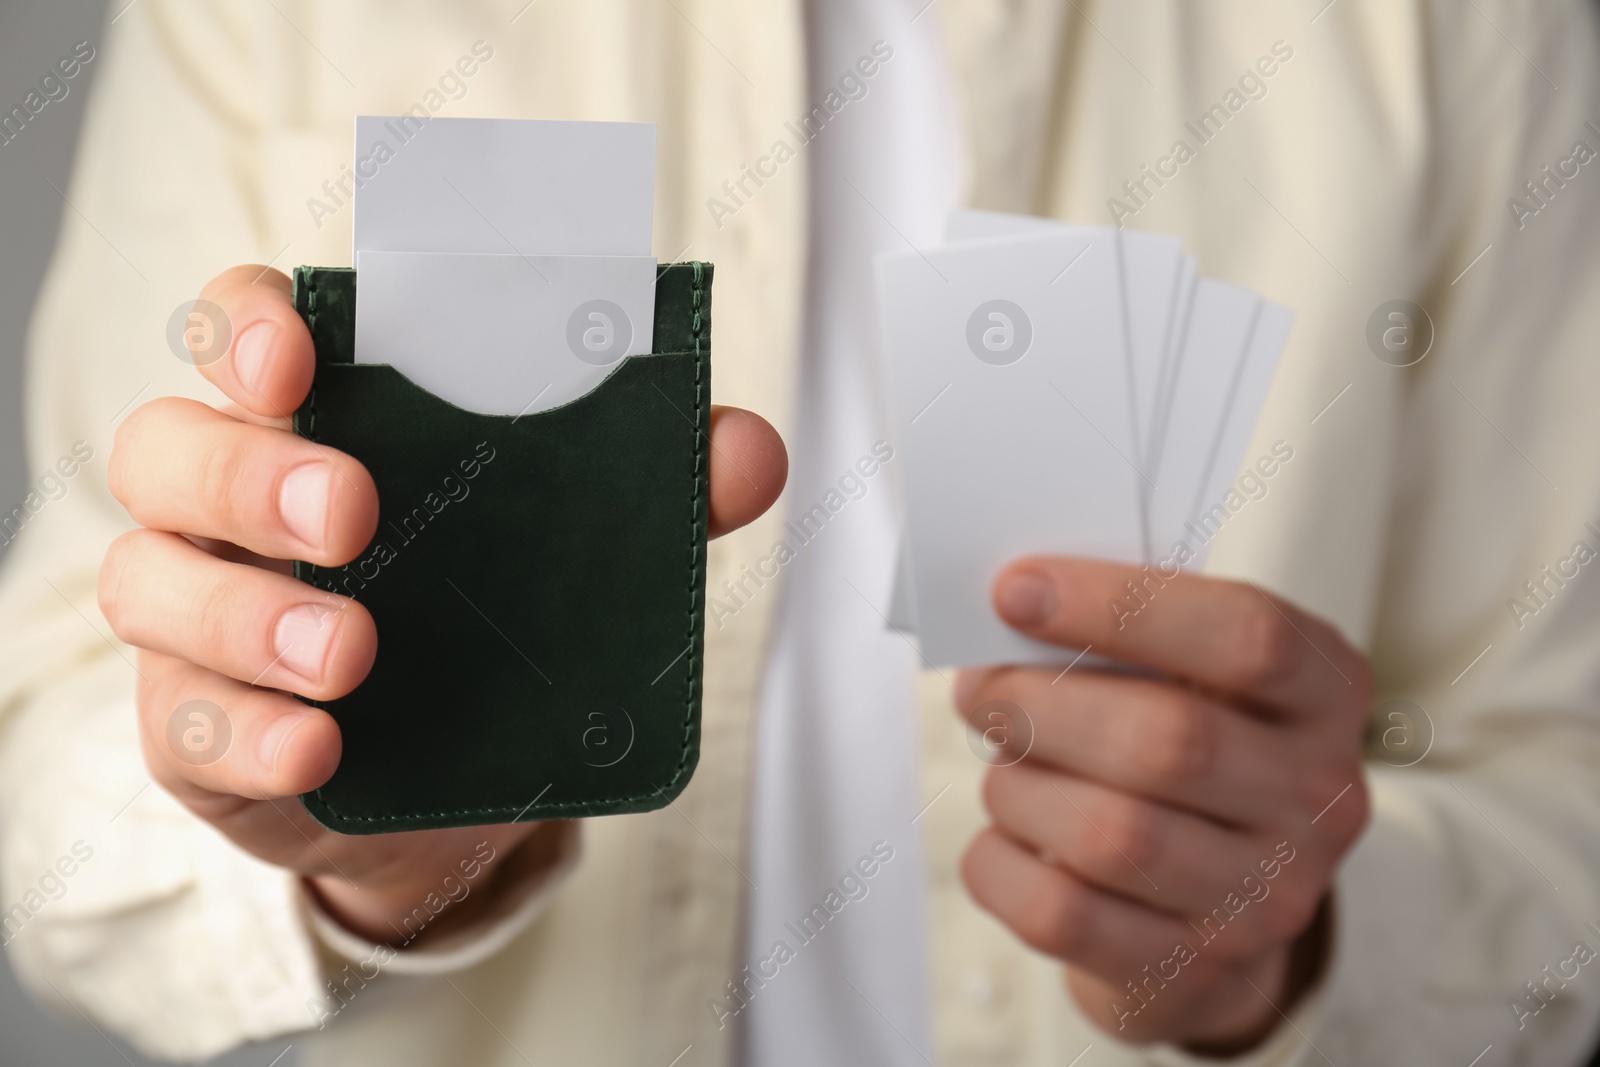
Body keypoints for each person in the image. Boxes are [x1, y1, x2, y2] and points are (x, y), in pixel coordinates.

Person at [3, 1, 1600, 1064]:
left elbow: (1564, 817)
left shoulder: (1462, 33)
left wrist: (1306, 949)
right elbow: (40, 790)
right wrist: (359, 846)